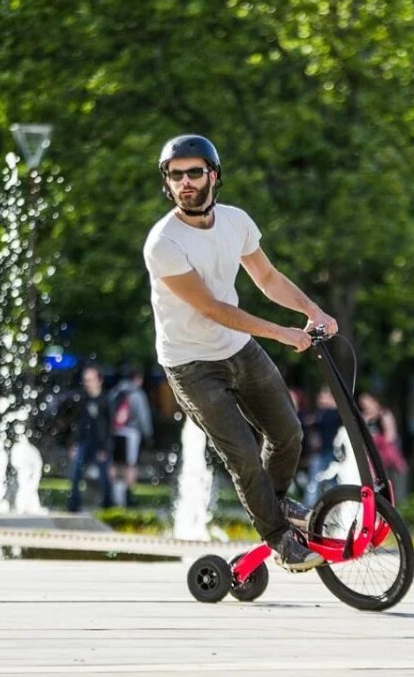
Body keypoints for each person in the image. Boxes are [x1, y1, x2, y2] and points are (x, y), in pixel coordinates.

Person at [143, 134, 338, 572]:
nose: (186, 183)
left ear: (214, 175)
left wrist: (313, 311)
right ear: (167, 183)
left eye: (195, 172)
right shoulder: (164, 243)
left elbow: (267, 278)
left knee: (288, 434)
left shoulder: (236, 222)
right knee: (243, 456)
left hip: (237, 349)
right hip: (191, 363)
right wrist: (283, 334)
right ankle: (279, 539)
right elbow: (212, 309)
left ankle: (277, 505)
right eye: (176, 176)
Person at [66, 365, 113, 512]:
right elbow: (76, 425)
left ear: (99, 380)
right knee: (75, 473)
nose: (87, 383)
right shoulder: (82, 400)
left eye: (91, 379)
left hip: (100, 445)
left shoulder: (106, 401)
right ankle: (74, 504)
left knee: (104, 476)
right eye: (85, 380)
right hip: (83, 443)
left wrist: (104, 448)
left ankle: (107, 504)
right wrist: (73, 444)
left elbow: (108, 428)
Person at [108, 368, 154, 507]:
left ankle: (112, 495)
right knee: (130, 466)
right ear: (137, 378)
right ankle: (128, 497)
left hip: (115, 432)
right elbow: (143, 416)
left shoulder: (115, 392)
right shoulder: (138, 394)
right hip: (131, 434)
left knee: (115, 465)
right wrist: (148, 435)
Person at [358, 392, 408, 496]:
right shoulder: (364, 418)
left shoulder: (384, 414)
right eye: (362, 403)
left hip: (384, 456)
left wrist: (377, 440)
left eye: (366, 402)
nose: (364, 405)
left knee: (387, 480)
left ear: (375, 401)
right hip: (369, 455)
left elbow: (391, 436)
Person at [305, 386, 343, 504]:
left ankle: (336, 503)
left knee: (330, 480)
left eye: (324, 396)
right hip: (321, 452)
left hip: (332, 452)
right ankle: (311, 505)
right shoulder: (321, 413)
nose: (321, 400)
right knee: (315, 480)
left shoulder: (336, 413)